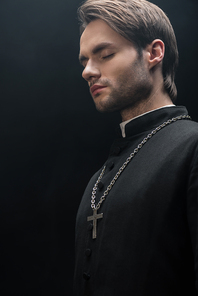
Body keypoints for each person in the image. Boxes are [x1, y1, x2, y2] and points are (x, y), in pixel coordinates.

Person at [74, 0, 198, 295]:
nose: (88, 71)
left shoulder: (192, 148)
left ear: (154, 53)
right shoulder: (98, 179)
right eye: (84, 61)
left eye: (105, 55)